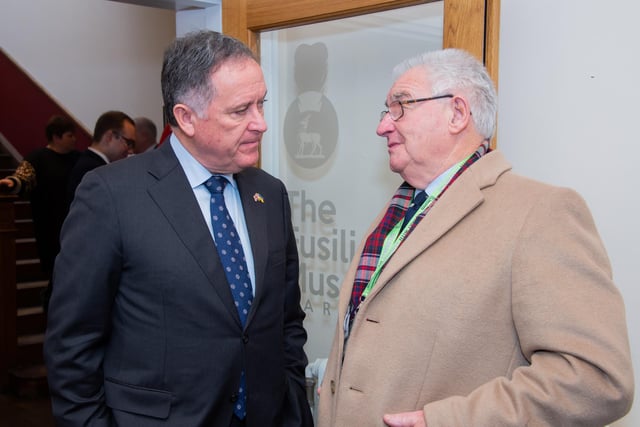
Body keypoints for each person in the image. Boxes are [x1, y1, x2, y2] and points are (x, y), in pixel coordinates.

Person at [317, 49, 634, 427]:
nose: (383, 126)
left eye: (401, 106)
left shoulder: (542, 213)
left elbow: (596, 379)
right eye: (386, 111)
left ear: (457, 113)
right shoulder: (397, 212)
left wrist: (447, 420)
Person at [45, 30, 313, 427]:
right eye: (241, 110)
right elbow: (73, 344)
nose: (261, 123)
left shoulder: (269, 194)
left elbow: (286, 318)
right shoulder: (111, 196)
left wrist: (290, 395)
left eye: (262, 104)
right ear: (186, 117)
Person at [0, 115, 79, 309]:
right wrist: (11, 184)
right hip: (49, 228)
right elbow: (22, 178)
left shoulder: (78, 159)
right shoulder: (38, 158)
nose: (74, 139)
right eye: (70, 135)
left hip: (75, 225)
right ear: (56, 136)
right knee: (57, 272)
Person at [67, 110, 135, 200]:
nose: (131, 151)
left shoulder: (88, 163)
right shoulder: (93, 171)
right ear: (109, 137)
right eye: (129, 143)